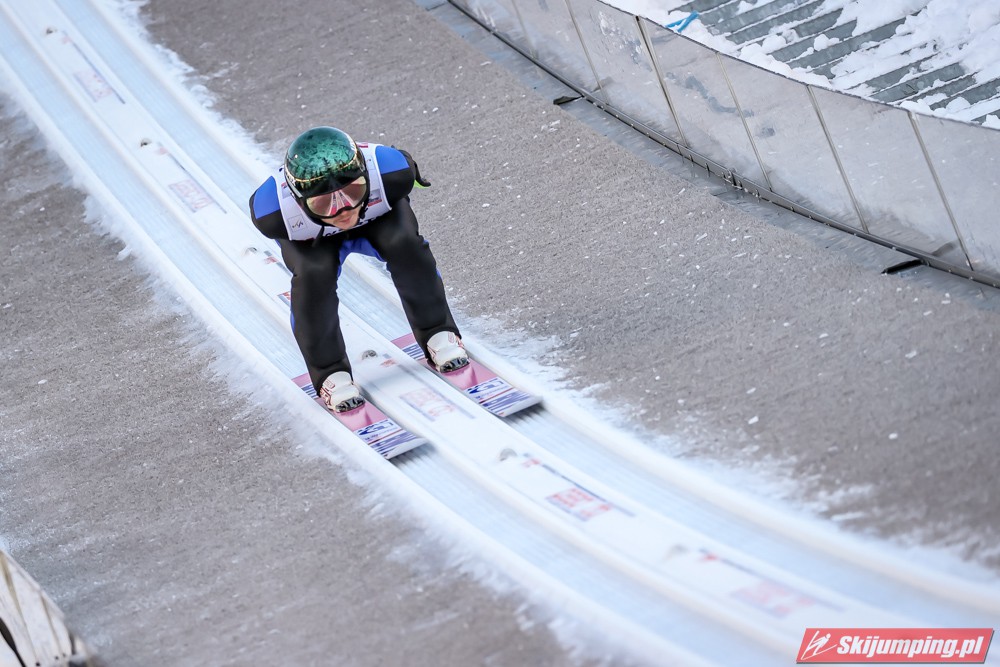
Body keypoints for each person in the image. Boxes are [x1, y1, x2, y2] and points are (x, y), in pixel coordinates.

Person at [248, 126, 468, 413]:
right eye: (324, 202)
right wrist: (354, 198)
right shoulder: (274, 213)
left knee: (404, 244)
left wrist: (331, 207)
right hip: (315, 239)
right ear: (299, 202)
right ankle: (330, 373)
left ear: (367, 175)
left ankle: (437, 331)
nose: (343, 210)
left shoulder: (392, 173)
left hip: (377, 219)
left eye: (352, 191)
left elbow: (396, 181)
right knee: (313, 274)